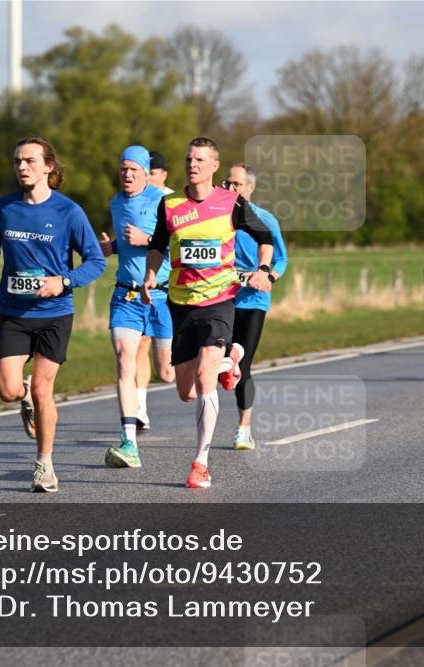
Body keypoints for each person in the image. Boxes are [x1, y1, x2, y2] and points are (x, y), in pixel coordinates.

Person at [0, 135, 106, 493]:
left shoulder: (68, 212)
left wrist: (63, 281)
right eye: (17, 161)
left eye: (29, 161)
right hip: (14, 312)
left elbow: (95, 261)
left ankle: (44, 466)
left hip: (54, 313)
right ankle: (25, 396)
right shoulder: (4, 207)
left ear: (48, 167)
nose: (22, 167)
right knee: (7, 389)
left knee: (44, 390)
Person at [141, 137, 274, 489]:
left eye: (200, 160)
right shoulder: (169, 204)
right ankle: (233, 360)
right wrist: (151, 274)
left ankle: (201, 463)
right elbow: (157, 245)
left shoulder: (231, 202)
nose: (193, 164)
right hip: (181, 304)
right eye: (189, 159)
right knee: (186, 392)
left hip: (219, 301)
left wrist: (263, 269)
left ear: (214, 166)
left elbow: (265, 236)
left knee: (204, 380)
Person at [100, 146, 174, 469]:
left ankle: (222, 362)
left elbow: (180, 246)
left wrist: (147, 240)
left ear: (146, 173)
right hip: (126, 297)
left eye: (133, 170)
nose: (127, 175)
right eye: (123, 169)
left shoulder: (164, 202)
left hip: (160, 296)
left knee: (168, 374)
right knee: (124, 360)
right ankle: (129, 441)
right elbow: (126, 242)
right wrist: (112, 246)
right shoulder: (116, 203)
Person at [222, 163, 288, 451]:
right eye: (227, 183)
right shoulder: (217, 217)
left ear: (250, 187)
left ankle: (244, 428)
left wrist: (267, 277)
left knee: (243, 363)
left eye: (237, 184)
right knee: (216, 362)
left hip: (253, 300)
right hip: (222, 297)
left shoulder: (265, 219)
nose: (231, 189)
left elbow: (281, 259)